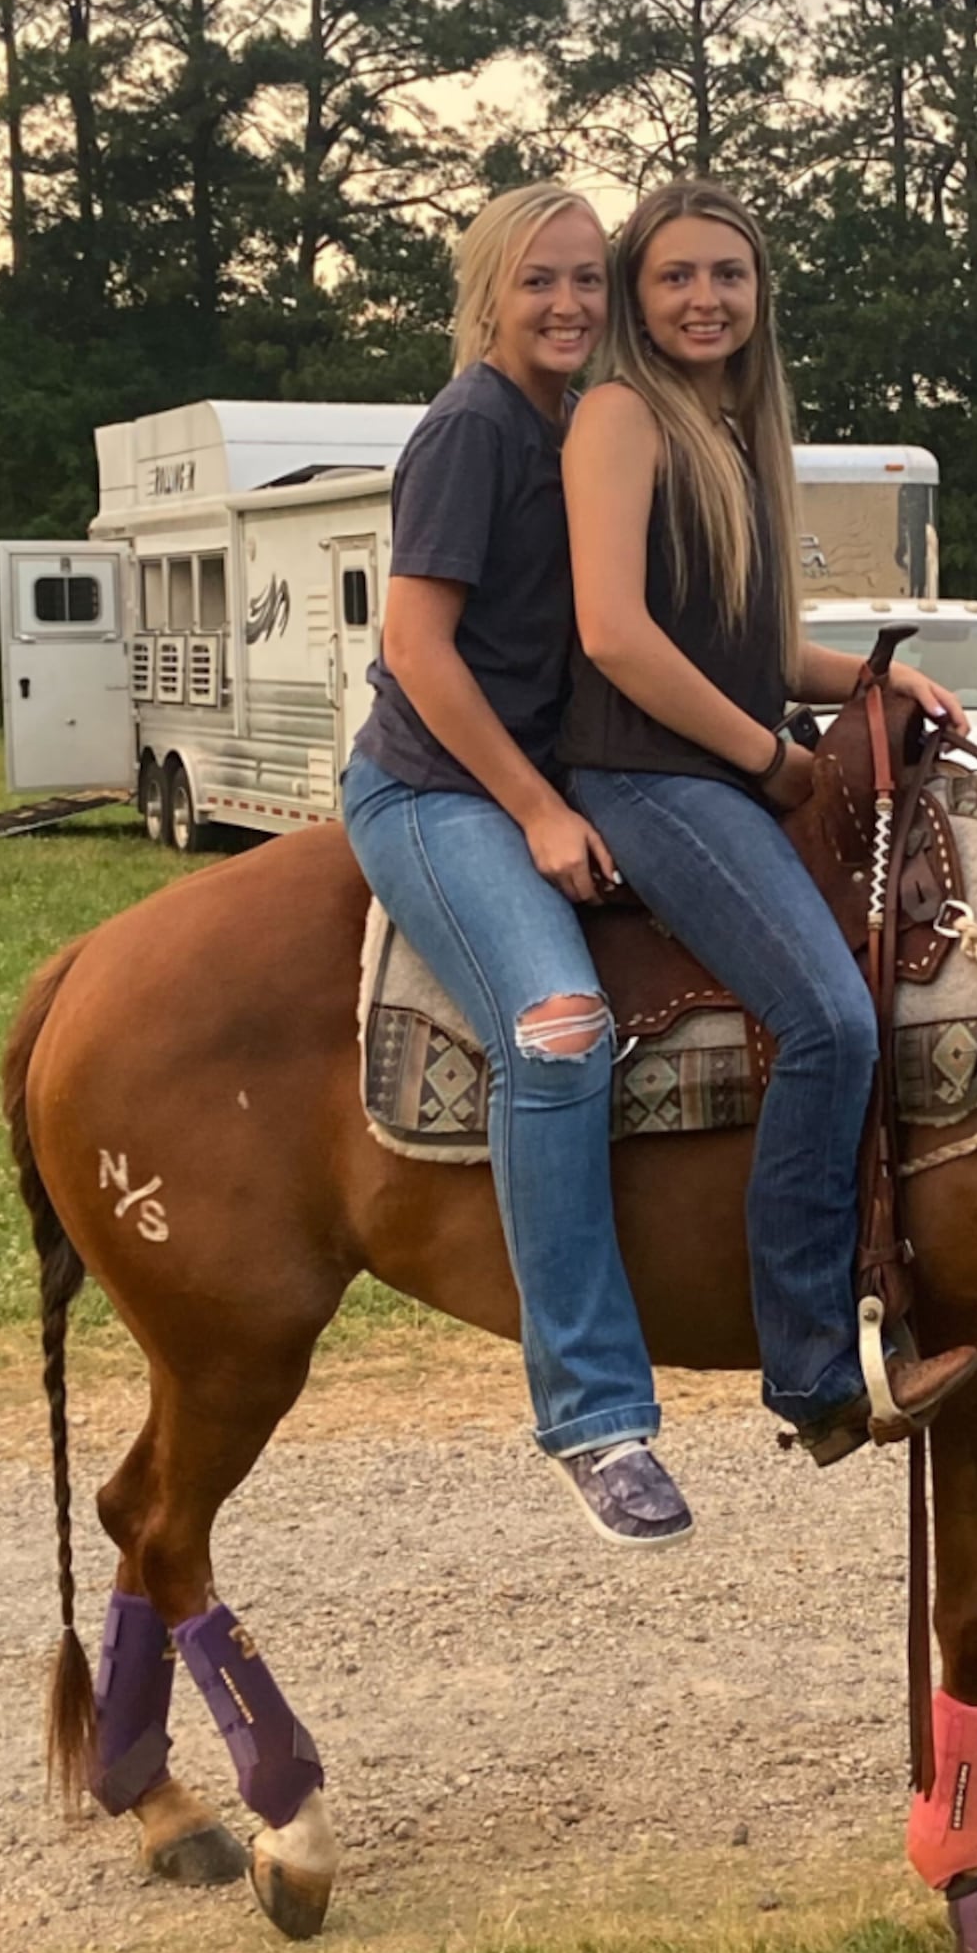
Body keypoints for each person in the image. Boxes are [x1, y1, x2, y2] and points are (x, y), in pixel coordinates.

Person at [560, 180, 977, 1465]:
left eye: (729, 277)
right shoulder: (623, 416)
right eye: (678, 277)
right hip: (645, 774)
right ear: (639, 295)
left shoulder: (735, 426)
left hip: (713, 760)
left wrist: (864, 680)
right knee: (829, 1017)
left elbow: (741, 643)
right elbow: (616, 636)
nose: (706, 299)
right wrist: (769, 757)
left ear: (761, 295)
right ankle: (811, 1365)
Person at [340, 183, 693, 1549]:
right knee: (556, 1033)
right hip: (433, 787)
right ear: (487, 292)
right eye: (539, 280)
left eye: (587, 283)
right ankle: (595, 1416)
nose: (568, 305)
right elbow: (422, 651)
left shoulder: (579, 427)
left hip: (534, 772)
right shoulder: (471, 430)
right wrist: (540, 812)